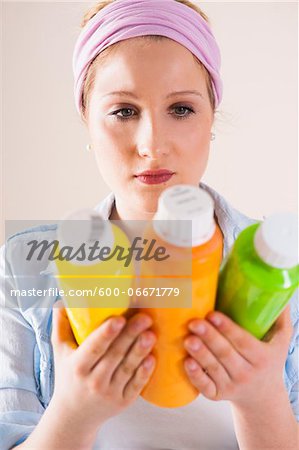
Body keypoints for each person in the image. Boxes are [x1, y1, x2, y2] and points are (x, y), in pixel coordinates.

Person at [0, 0, 298, 449]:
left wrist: (261, 401)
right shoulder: (24, 267)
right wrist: (72, 416)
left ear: (211, 116)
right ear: (87, 119)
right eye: (123, 111)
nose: (152, 145)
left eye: (181, 109)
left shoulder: (282, 267)